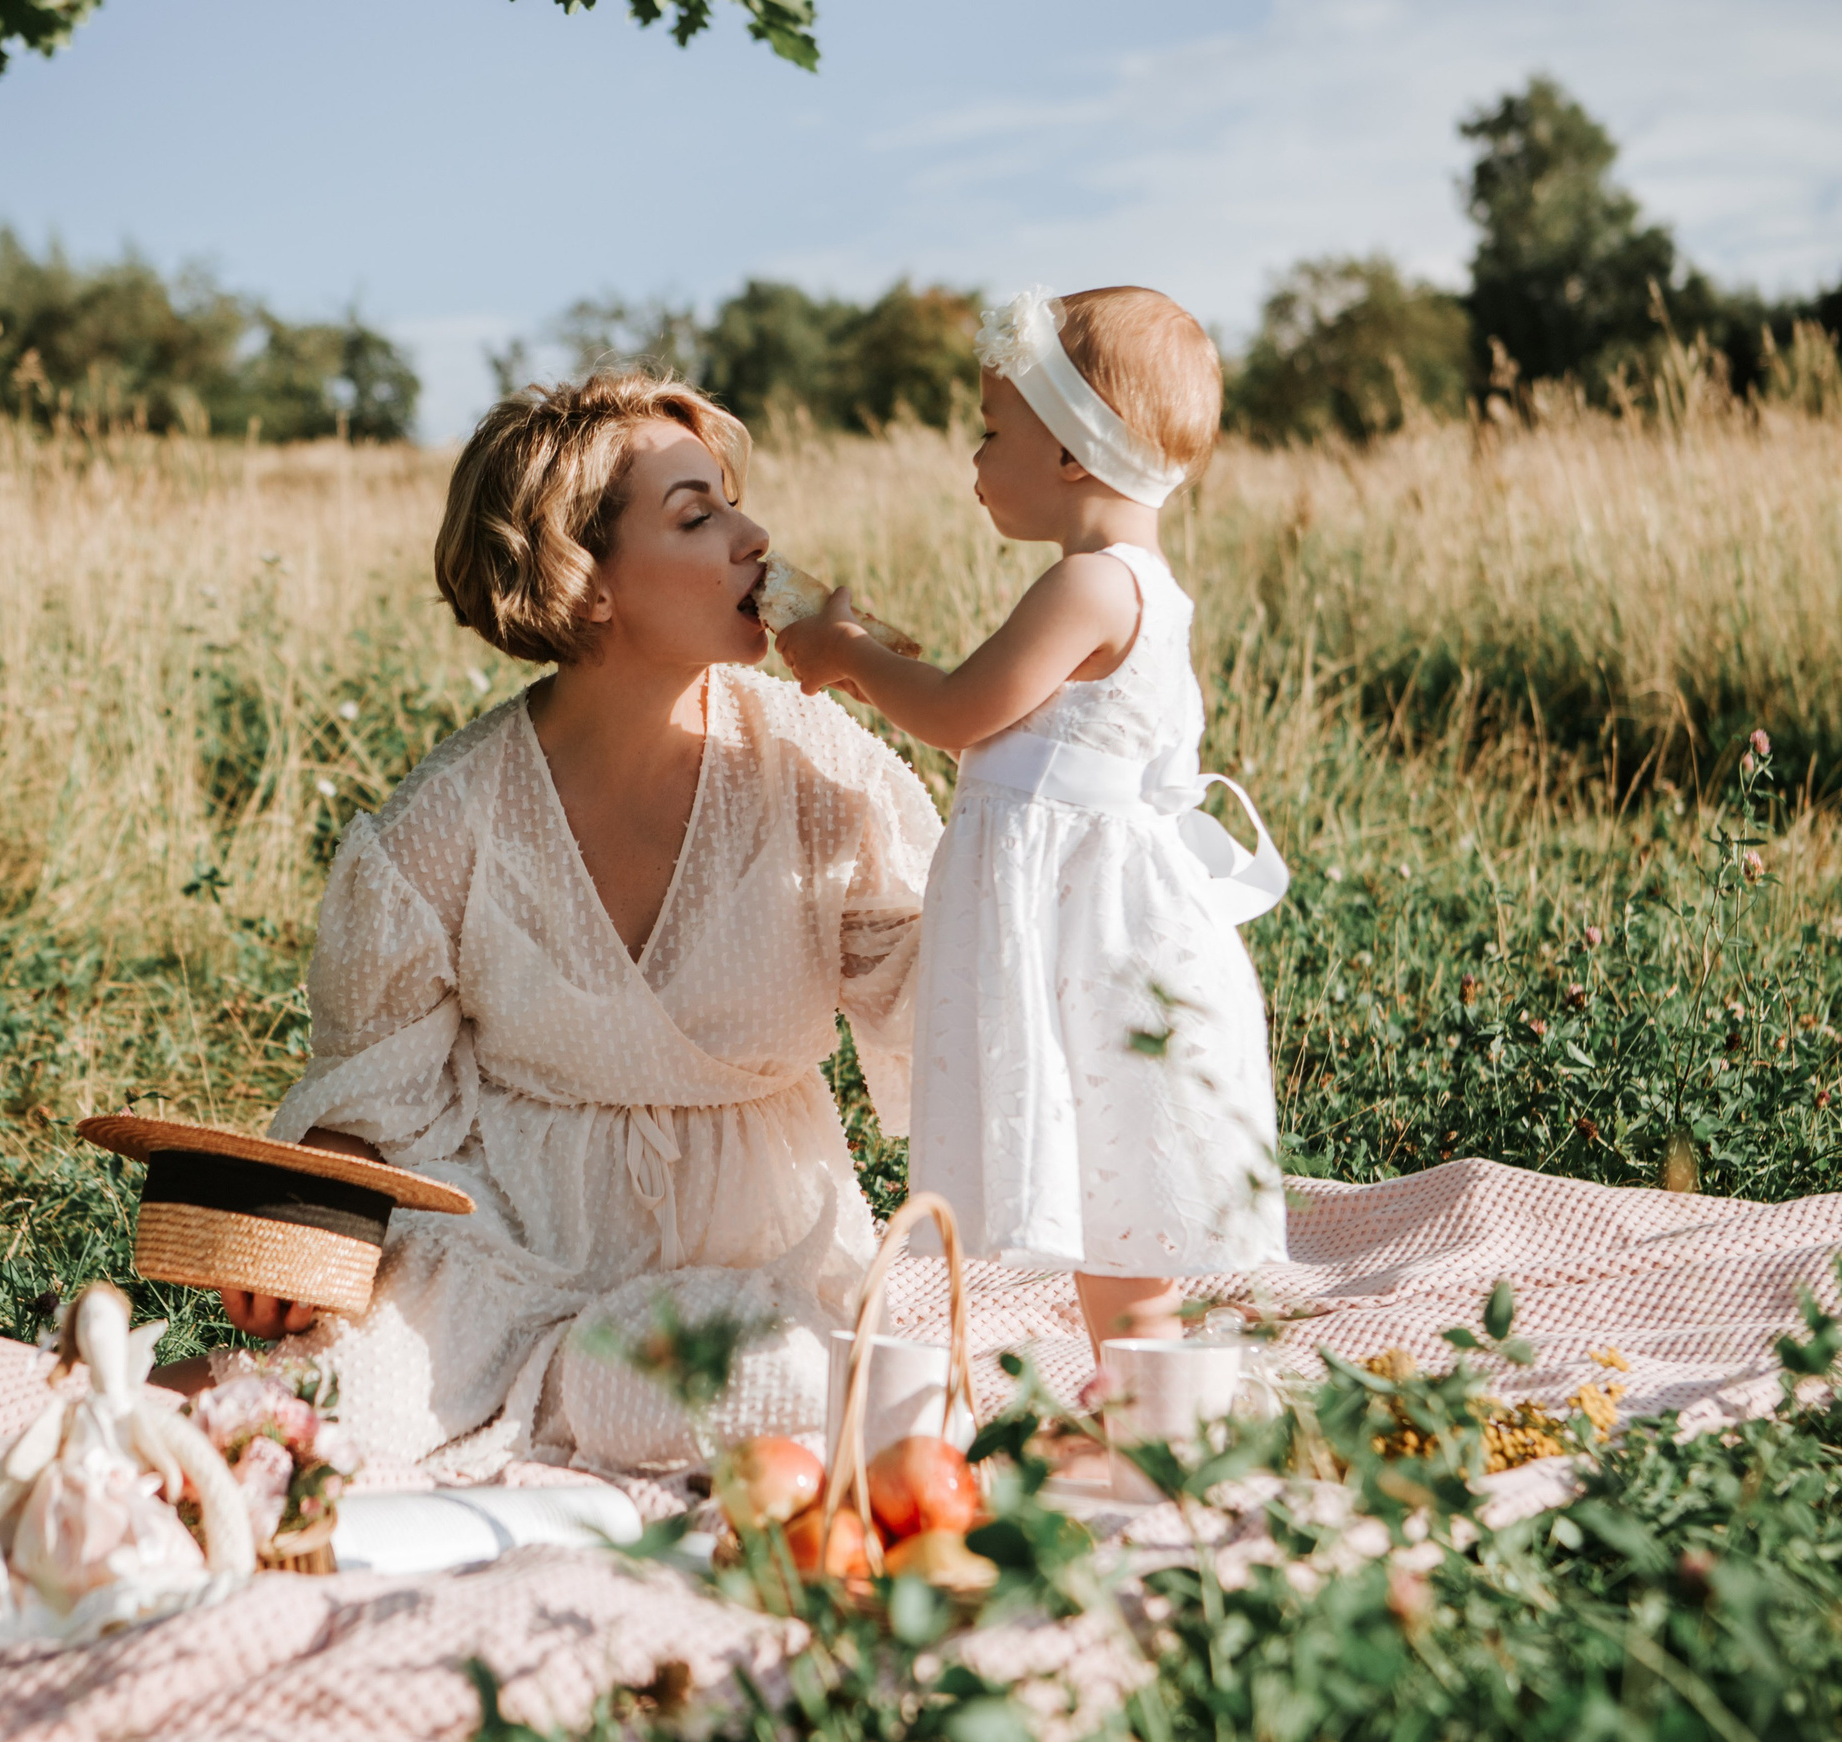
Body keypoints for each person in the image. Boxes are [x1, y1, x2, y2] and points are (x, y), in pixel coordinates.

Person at [210, 373, 942, 1479]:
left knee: (805, 1381)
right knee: (322, 1404)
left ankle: (570, 1401)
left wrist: (1017, 796)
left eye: (734, 505)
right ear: (586, 582)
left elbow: (944, 1005)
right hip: (506, 1242)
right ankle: (553, 1395)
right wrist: (299, 1225)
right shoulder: (445, 822)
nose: (754, 538)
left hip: (744, 1252)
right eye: (698, 516)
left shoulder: (818, 762)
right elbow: (374, 1088)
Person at [775, 285, 1288, 1364]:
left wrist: (848, 660)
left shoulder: (1092, 586)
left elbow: (961, 714)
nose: (973, 457)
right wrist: (878, 664)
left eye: (990, 430)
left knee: (1116, 1175)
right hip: (1088, 923)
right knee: (1115, 1191)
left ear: (1069, 453)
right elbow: (993, 720)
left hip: (1088, 937)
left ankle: (1151, 1396)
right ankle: (1140, 1392)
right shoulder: (1124, 583)